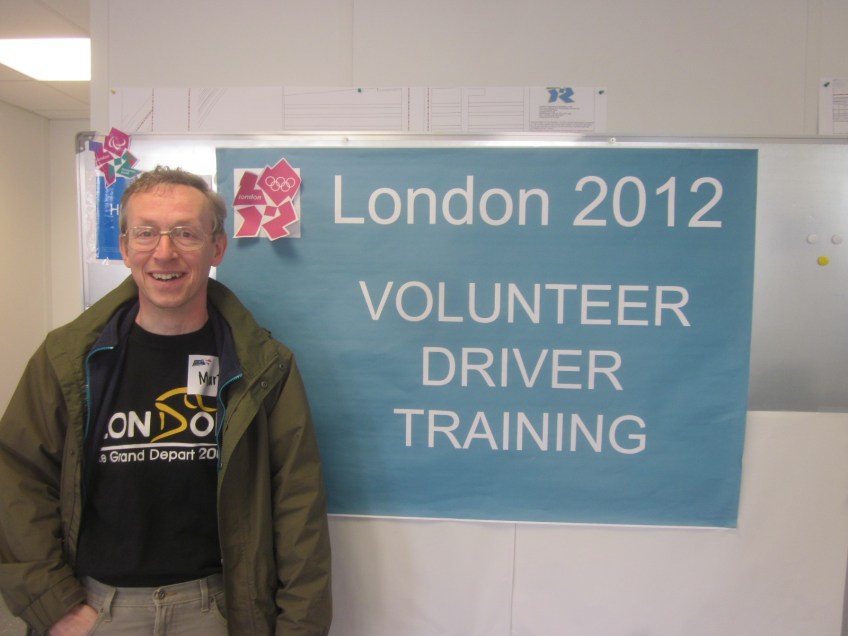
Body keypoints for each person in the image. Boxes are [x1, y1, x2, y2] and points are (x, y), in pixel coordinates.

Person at [0, 166, 332, 635]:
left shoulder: (264, 366)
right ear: (124, 247)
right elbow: (16, 481)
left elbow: (298, 507)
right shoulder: (67, 359)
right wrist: (52, 604)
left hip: (218, 614)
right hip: (97, 612)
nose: (164, 252)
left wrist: (300, 627)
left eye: (185, 233)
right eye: (146, 233)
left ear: (217, 247)